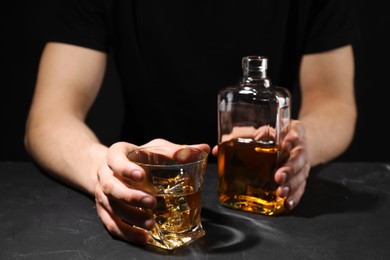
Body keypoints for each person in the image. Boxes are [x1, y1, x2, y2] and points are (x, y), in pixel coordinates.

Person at [24, 0, 358, 245]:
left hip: (267, 203)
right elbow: (49, 115)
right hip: (145, 192)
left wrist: (302, 143)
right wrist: (106, 171)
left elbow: (335, 101)